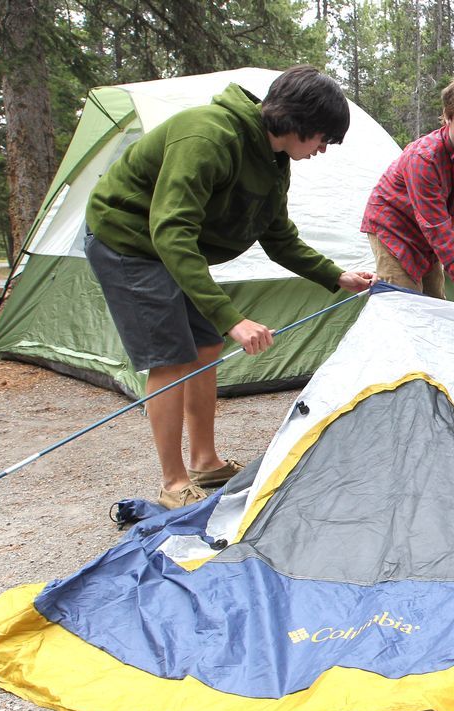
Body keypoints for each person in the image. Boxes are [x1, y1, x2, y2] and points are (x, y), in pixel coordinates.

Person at [85, 65, 373, 510]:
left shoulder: (274, 160)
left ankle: (205, 461)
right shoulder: (208, 137)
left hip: (173, 249)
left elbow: (278, 238)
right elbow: (171, 231)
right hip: (128, 241)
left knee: (204, 347)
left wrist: (335, 276)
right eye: (322, 138)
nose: (323, 149)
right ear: (298, 121)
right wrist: (232, 319)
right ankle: (173, 483)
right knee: (170, 357)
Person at [361, 74, 454, 315]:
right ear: (447, 117)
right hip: (393, 228)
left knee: (435, 307)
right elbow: (438, 230)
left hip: (429, 238)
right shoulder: (424, 158)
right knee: (406, 310)